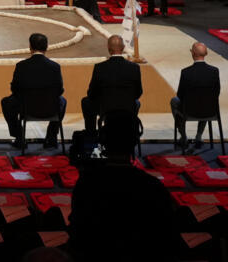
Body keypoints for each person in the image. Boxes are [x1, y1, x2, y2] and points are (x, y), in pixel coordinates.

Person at [69, 111, 180, 261]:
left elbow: (77, 233)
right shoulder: (154, 187)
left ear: (103, 140)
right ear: (135, 141)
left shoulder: (87, 185)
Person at [1, 31, 65, 148]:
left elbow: (14, 89)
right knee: (62, 101)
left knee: (6, 102)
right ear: (46, 47)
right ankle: (51, 137)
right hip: (49, 108)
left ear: (30, 47)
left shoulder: (21, 66)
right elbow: (60, 90)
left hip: (27, 108)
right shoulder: (55, 67)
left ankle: (19, 137)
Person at [81, 34, 142, 133]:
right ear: (123, 48)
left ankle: (91, 136)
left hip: (105, 109)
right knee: (136, 103)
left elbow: (91, 93)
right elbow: (138, 92)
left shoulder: (99, 68)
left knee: (86, 102)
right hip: (127, 108)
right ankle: (130, 132)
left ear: (109, 49)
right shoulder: (134, 68)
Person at [170, 41, 221, 152]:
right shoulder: (214, 71)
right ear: (206, 53)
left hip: (189, 111)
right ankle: (199, 136)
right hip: (210, 111)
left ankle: (183, 136)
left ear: (192, 53)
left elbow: (180, 94)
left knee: (174, 101)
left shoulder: (186, 72)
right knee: (206, 100)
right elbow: (216, 92)